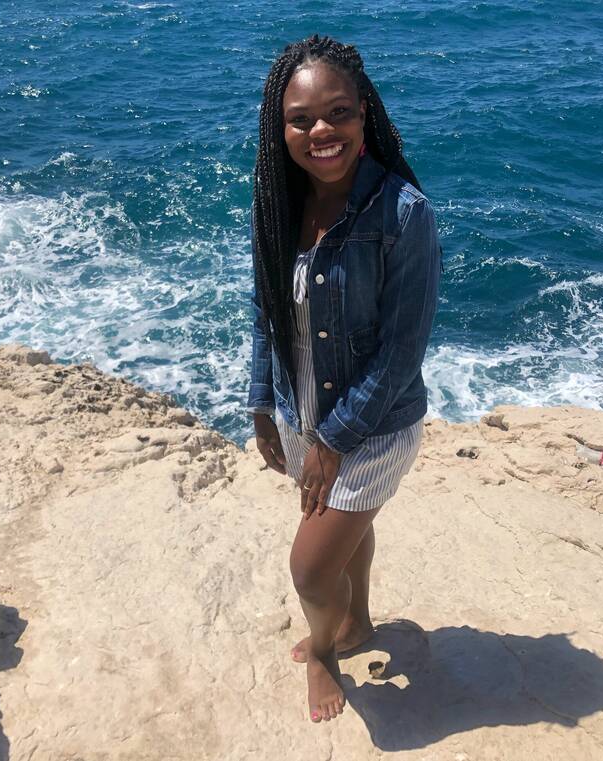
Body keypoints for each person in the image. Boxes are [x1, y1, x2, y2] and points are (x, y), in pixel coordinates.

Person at [246, 34, 442, 724]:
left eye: (338, 113)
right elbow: (266, 311)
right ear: (281, 129)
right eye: (301, 119)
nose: (321, 131)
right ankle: (355, 622)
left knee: (308, 567)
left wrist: (333, 441)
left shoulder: (404, 214)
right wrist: (261, 405)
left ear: (365, 114)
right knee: (346, 537)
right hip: (302, 412)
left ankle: (326, 652)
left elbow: (401, 351)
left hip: (373, 426)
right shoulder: (277, 204)